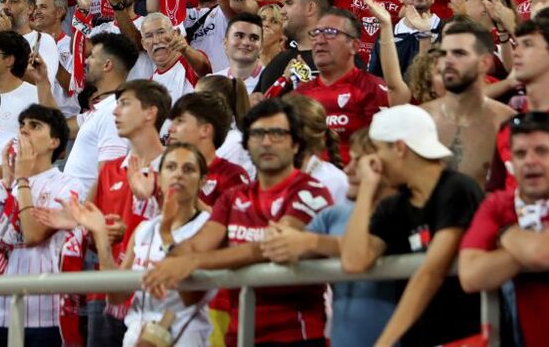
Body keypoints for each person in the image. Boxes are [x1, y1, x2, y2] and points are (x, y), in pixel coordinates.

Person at [141, 99, 334, 345]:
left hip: (296, 336)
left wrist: (192, 261)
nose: (266, 141)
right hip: (238, 335)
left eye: (277, 133)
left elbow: (271, 246)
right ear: (247, 143)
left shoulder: (311, 191)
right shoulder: (234, 198)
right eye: (257, 134)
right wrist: (173, 260)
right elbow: (196, 245)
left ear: (295, 144)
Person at [341, 104, 483, 346]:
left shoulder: (457, 189)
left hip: (467, 336)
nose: (373, 161)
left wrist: (384, 343)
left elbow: (431, 272)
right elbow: (354, 261)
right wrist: (366, 188)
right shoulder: (394, 206)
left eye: (376, 150)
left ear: (399, 147)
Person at [260, 128, 397, 347]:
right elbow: (287, 245)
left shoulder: (406, 214)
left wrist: (311, 242)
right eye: (350, 160)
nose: (349, 169)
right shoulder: (334, 216)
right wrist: (280, 236)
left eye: (358, 162)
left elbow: (362, 250)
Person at [69, 143, 215, 347]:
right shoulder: (145, 229)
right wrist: (101, 235)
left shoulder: (209, 227)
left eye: (188, 169)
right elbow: (118, 295)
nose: (178, 175)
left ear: (202, 181)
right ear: (159, 177)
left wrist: (166, 235)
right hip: (135, 339)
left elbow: (191, 294)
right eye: (171, 167)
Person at [459, 112, 549, 347]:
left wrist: (505, 232)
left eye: (541, 151)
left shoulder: (501, 216)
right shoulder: (497, 204)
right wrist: (532, 243)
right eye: (520, 154)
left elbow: (543, 254)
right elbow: (470, 276)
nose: (530, 161)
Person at [0, 104, 83, 346]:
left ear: (54, 142)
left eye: (35, 126)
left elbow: (33, 234)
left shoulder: (69, 185)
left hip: (45, 313)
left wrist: (23, 180)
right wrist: (7, 188)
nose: (24, 131)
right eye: (22, 126)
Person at [420, 20, 516, 187]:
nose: (447, 61)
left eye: (459, 53)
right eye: (443, 54)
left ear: (484, 63)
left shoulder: (505, 122)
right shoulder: (421, 118)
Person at [295, 9, 395, 162]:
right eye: (315, 33)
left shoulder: (373, 90)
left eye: (330, 33)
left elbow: (387, 155)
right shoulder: (300, 95)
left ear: (354, 45)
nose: (319, 40)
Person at [63, 32, 138, 193]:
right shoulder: (103, 108)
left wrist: (83, 212)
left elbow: (109, 175)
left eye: (92, 56)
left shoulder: (114, 112)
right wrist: (42, 81)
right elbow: (60, 128)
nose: (86, 61)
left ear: (107, 65)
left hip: (83, 211)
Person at [168, 92, 249, 206]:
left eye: (180, 121)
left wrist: (191, 200)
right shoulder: (167, 171)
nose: (170, 128)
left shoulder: (232, 177)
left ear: (205, 130)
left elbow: (236, 222)